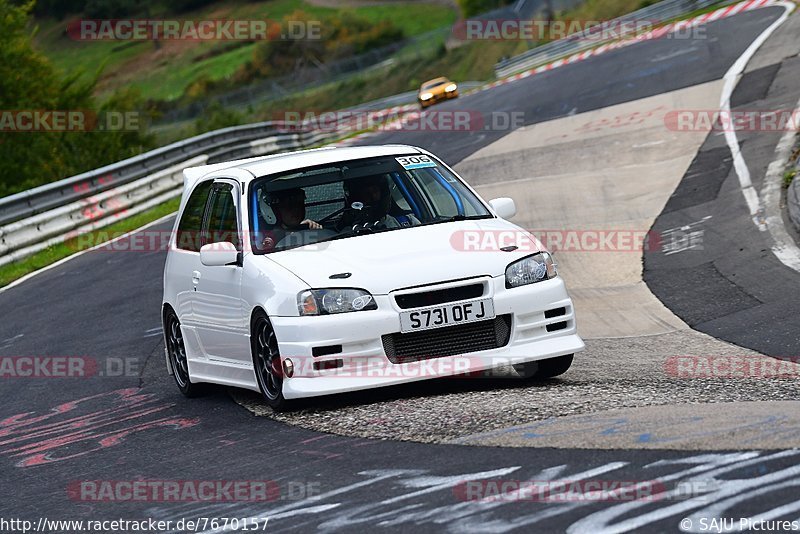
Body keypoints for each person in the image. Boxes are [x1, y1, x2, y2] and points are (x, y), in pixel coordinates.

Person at [341, 175, 419, 230]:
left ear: (383, 192)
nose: (373, 196)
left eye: (375, 191)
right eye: (367, 193)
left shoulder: (408, 221)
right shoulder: (348, 233)